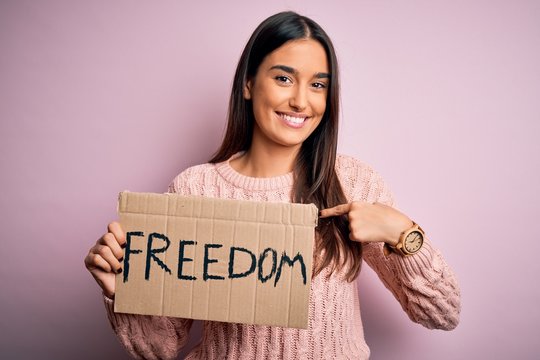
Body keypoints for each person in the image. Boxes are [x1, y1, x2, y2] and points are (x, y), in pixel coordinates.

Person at [84, 11, 460, 359]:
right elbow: (161, 346)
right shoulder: (195, 188)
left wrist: (403, 233)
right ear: (248, 84)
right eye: (283, 78)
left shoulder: (352, 182)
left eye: (317, 85)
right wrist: (123, 292)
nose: (300, 101)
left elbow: (442, 313)